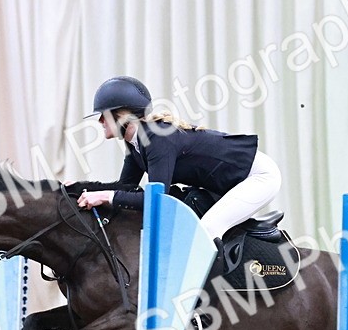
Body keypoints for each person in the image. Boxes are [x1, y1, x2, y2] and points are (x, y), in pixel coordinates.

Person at [76, 76, 282, 240]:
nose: (100, 120)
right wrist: (79, 189)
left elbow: (157, 198)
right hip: (231, 182)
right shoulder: (136, 142)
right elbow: (126, 187)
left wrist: (104, 196)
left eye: (104, 114)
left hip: (258, 177)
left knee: (207, 230)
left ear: (124, 116)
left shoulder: (156, 138)